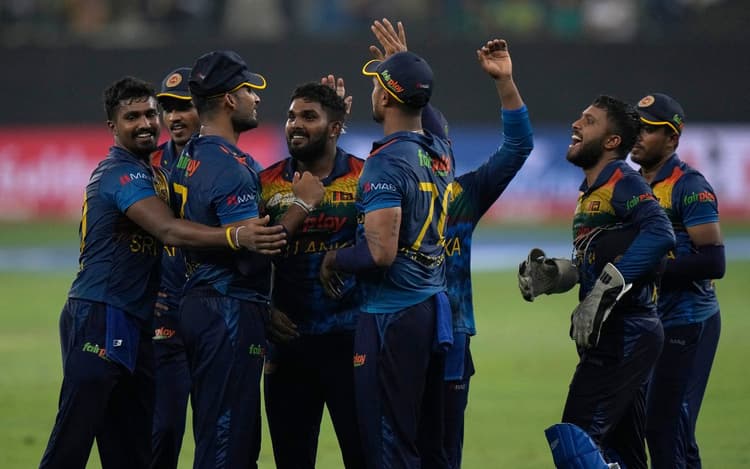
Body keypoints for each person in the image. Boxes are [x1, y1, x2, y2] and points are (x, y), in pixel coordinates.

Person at [39, 76, 287, 469]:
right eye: (132, 117)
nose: (146, 123)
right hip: (100, 313)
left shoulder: (159, 173)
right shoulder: (121, 173)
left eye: (149, 114)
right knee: (73, 439)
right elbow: (169, 231)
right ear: (112, 126)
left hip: (137, 320)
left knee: (134, 449)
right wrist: (236, 235)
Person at [368, 18, 534, 468]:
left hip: (430, 330)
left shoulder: (456, 190)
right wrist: (401, 71)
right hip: (429, 326)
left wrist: (505, 82)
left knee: (422, 448)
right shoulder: (429, 188)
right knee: (420, 449)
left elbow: (518, 146)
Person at [170, 49, 324, 469]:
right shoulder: (232, 168)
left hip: (200, 303)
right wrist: (302, 205)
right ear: (227, 99)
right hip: (227, 312)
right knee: (229, 444)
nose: (256, 98)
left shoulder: (188, 155)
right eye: (248, 91)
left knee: (220, 433)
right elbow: (252, 254)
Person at [518, 95, 675, 468]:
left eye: (589, 121)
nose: (576, 124)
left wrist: (605, 288)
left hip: (625, 333)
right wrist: (561, 275)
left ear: (611, 141)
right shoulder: (591, 190)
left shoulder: (624, 181)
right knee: (624, 454)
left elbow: (660, 233)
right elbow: (602, 253)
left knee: (577, 443)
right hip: (617, 334)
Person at [321, 49, 455, 469]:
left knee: (388, 443)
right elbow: (434, 120)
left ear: (385, 97)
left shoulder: (384, 163)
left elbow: (380, 252)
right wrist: (408, 70)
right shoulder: (439, 151)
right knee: (426, 441)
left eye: (377, 85)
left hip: (391, 316)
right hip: (432, 309)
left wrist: (333, 259)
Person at [260, 80, 366, 469]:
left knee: (364, 457)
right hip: (288, 343)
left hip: (352, 340)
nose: (295, 125)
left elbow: (384, 248)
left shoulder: (363, 177)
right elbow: (251, 260)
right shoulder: (267, 183)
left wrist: (342, 257)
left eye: (308, 117)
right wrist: (265, 308)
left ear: (335, 127)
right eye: (291, 117)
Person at [630, 93, 724, 468]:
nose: (638, 134)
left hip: (689, 321)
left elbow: (714, 261)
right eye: (635, 126)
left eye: (648, 129)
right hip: (649, 323)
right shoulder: (629, 185)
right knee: (665, 432)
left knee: (665, 430)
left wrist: (648, 269)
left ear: (672, 138)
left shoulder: (689, 185)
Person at [149, 66, 199, 469]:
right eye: (167, 108)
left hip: (217, 314)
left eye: (184, 107)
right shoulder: (147, 167)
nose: (174, 117)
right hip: (164, 316)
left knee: (219, 431)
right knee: (163, 430)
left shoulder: (229, 164)